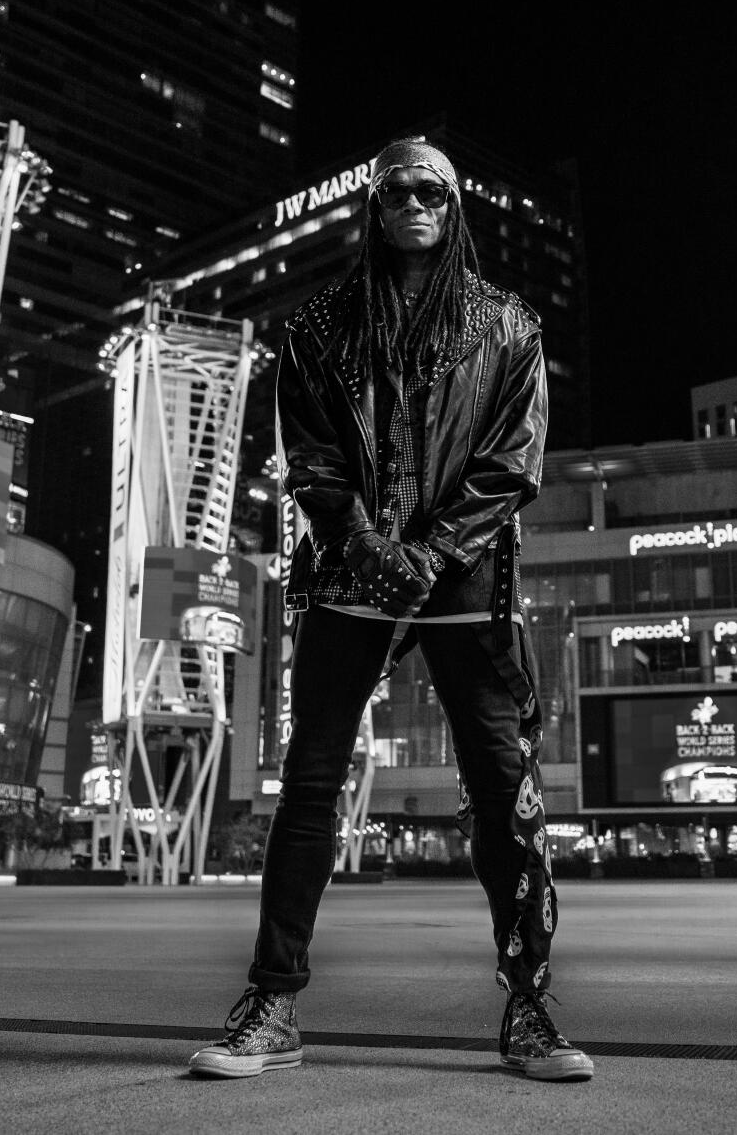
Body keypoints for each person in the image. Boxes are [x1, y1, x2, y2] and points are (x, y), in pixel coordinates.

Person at [189, 139, 591, 1083]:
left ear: (454, 208)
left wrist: (434, 550)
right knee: (311, 786)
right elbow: (314, 457)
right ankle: (272, 1003)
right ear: (374, 206)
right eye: (397, 191)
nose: (414, 204)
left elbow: (513, 461)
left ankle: (530, 1007)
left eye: (433, 192)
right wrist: (369, 547)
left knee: (505, 790)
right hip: (347, 574)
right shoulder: (320, 326)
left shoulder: (509, 323)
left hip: (464, 585)